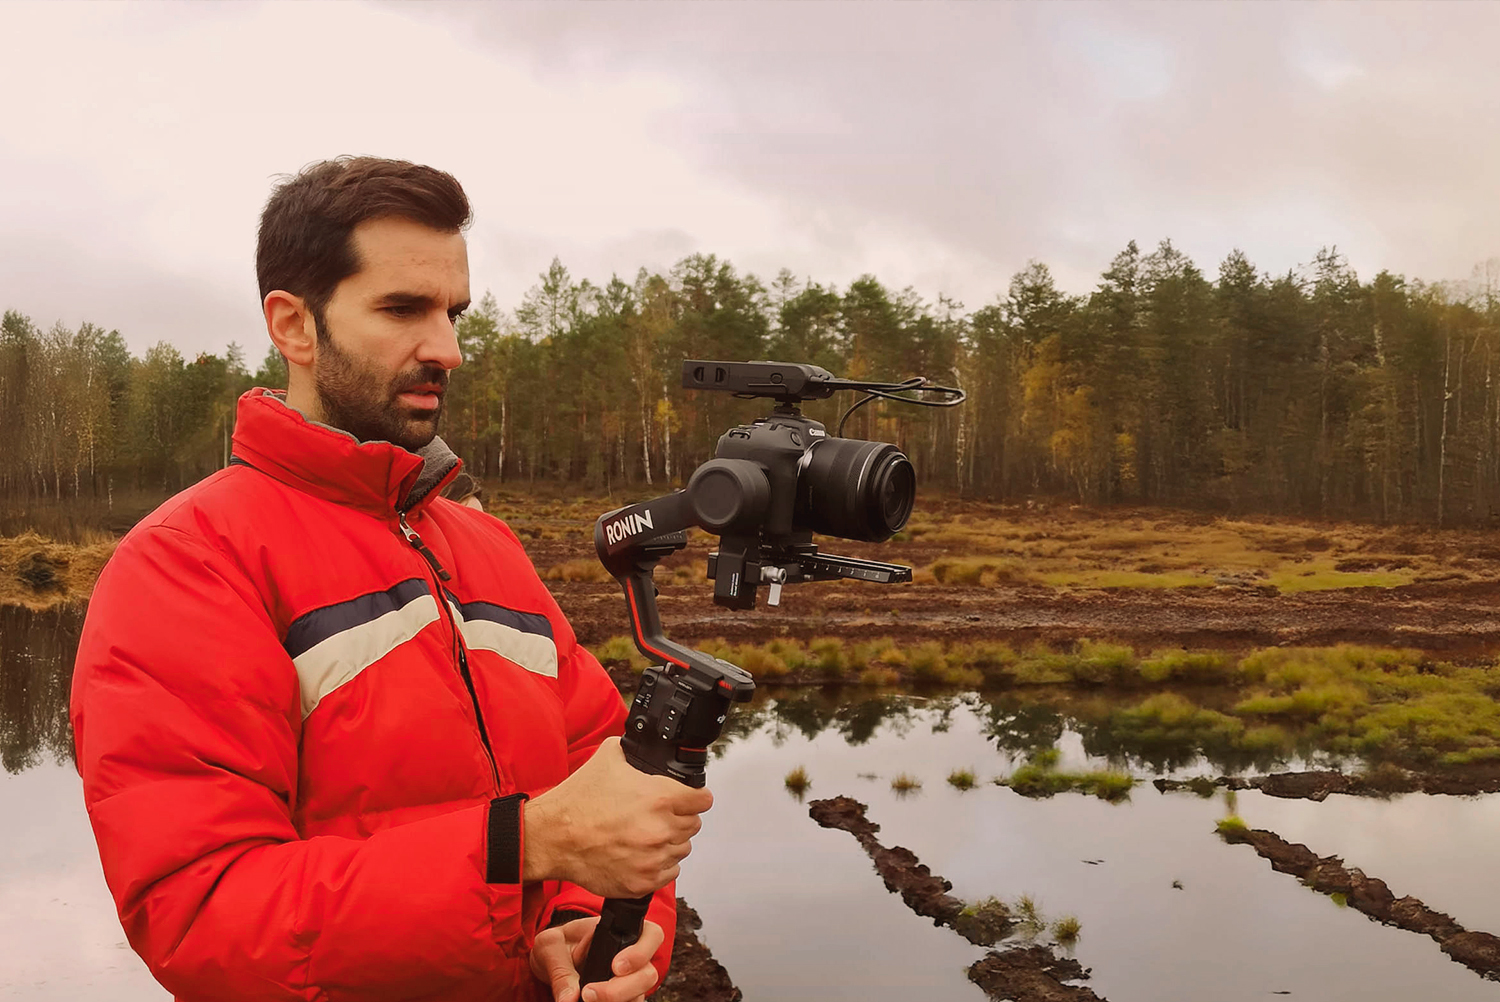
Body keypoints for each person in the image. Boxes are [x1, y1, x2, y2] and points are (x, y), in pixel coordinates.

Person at [69, 157, 713, 1002]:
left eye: (455, 312)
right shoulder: (188, 563)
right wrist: (523, 845)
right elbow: (201, 918)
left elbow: (601, 778)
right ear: (294, 326)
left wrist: (588, 928)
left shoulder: (485, 549)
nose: (446, 348)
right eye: (403, 309)